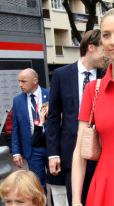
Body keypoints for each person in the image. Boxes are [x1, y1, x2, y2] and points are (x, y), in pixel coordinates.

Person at [47, 29, 106, 206]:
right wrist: (53, 154)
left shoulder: (106, 77)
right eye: (104, 49)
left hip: (103, 155)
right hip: (71, 153)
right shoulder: (61, 75)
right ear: (91, 48)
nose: (108, 55)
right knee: (76, 201)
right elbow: (53, 116)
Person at [71, 8, 114, 205]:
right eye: (106, 35)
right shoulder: (93, 90)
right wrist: (77, 200)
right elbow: (80, 149)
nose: (112, 41)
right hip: (105, 186)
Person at [11, 68, 49, 191]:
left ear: (35, 80)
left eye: (23, 81)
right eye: (19, 81)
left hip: (51, 145)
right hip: (33, 149)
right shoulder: (17, 101)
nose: (20, 85)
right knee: (38, 186)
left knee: (57, 183)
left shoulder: (50, 94)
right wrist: (16, 152)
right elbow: (15, 127)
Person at [31, 102, 68, 206]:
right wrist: (41, 120)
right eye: (49, 114)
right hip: (57, 176)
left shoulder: (70, 130)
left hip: (70, 173)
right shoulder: (49, 133)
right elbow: (35, 142)